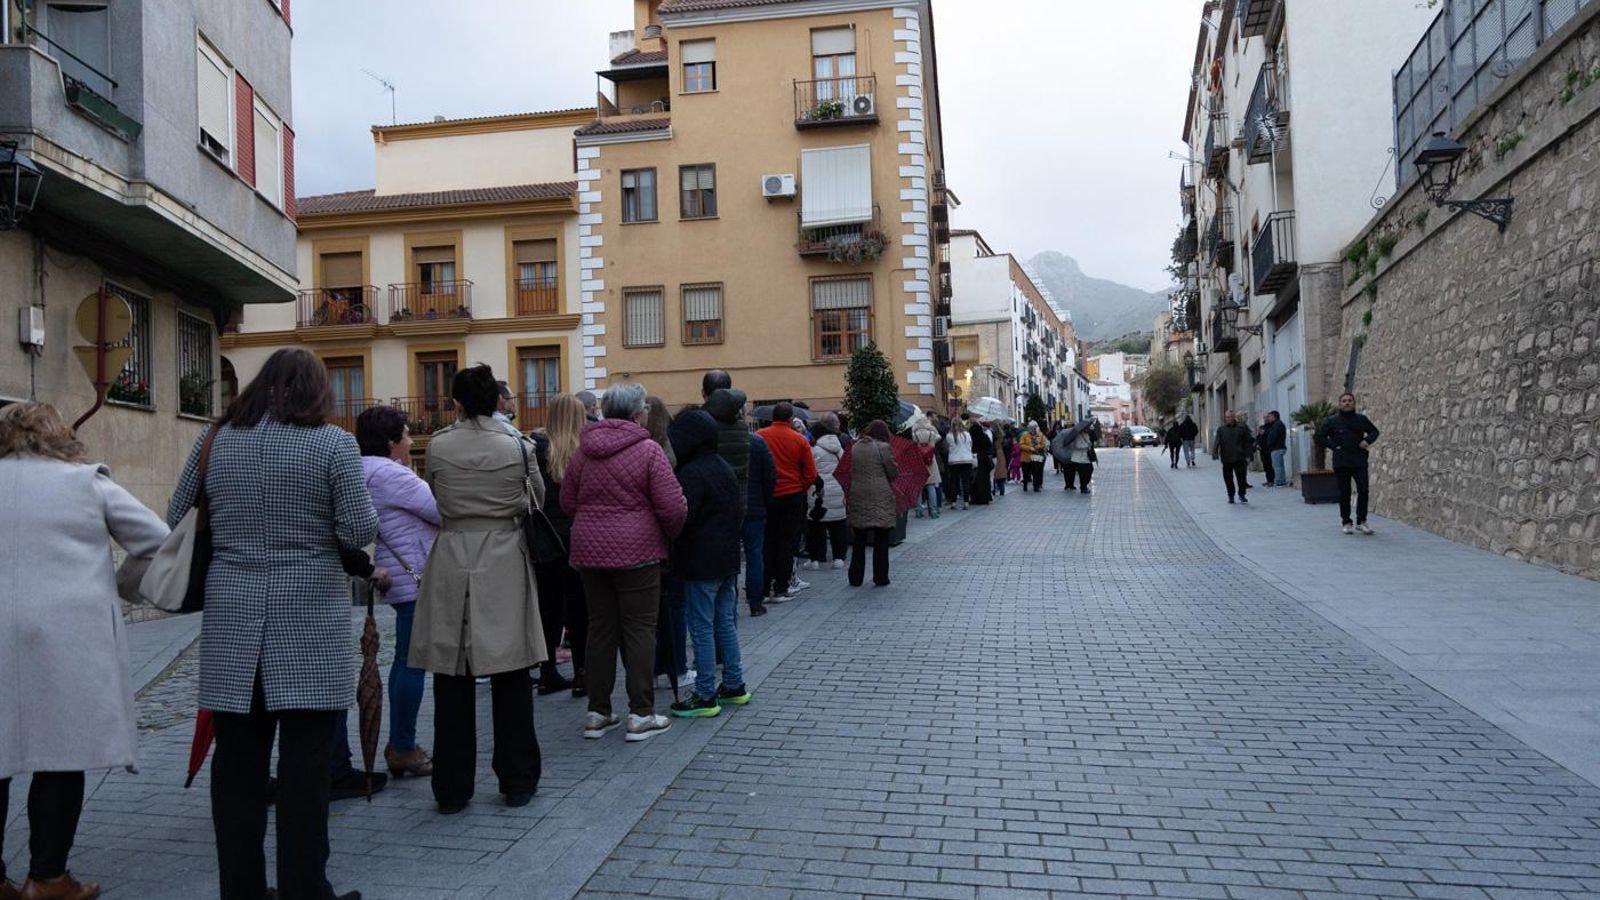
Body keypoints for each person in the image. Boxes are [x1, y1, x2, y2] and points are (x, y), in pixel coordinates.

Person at [166, 348, 377, 900]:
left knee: (238, 762)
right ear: (318, 391)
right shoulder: (332, 443)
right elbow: (357, 529)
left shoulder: (215, 439)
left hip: (232, 612)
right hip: (309, 616)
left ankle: (241, 890)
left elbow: (176, 516)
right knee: (306, 764)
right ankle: (305, 888)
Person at [0, 402, 169, 900]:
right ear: (58, 435)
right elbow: (160, 542)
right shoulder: (85, 483)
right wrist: (121, 586)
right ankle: (48, 878)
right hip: (67, 635)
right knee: (62, 751)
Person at [409, 365, 545, 815]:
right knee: (512, 670)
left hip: (452, 554)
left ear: (457, 403)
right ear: (497, 401)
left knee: (452, 674)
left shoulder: (439, 445)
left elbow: (436, 494)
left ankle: (452, 787)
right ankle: (517, 779)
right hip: (503, 554)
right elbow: (537, 498)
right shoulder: (518, 446)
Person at [562, 382, 688, 742]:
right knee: (639, 630)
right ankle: (641, 712)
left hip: (589, 552)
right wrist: (665, 535)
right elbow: (673, 507)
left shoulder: (583, 451)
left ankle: (598, 711)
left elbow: (568, 501)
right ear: (637, 414)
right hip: (638, 552)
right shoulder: (648, 450)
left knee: (600, 629)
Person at [354, 406, 438, 780]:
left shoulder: (362, 469)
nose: (410, 439)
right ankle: (403, 745)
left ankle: (400, 742)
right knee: (411, 662)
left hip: (399, 571)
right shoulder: (392, 474)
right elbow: (441, 511)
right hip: (414, 572)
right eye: (405, 434)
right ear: (390, 442)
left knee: (405, 659)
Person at [665, 409, 751, 718]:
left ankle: (704, 694)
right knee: (725, 622)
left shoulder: (691, 473)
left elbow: (682, 517)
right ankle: (734, 684)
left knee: (701, 627)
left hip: (700, 562)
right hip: (727, 559)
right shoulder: (722, 466)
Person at [532, 394, 589, 697]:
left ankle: (547, 671)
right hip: (577, 537)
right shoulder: (585, 449)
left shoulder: (536, 448)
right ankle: (582, 673)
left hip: (544, 538)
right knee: (579, 608)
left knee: (547, 608)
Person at [755, 401, 817, 604]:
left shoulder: (760, 436)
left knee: (767, 541)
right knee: (787, 542)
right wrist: (800, 487)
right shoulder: (799, 440)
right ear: (790, 419)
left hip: (767, 494)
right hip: (792, 495)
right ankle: (781, 587)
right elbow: (811, 473)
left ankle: (764, 588)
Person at [1316, 392, 1381, 535]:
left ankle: (1362, 521)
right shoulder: (1331, 421)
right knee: (1344, 493)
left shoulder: (1361, 419)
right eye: (1344, 401)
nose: (1347, 403)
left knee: (1363, 490)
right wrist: (1334, 446)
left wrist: (1367, 441)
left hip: (1359, 460)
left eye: (1350, 400)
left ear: (1354, 403)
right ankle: (1346, 522)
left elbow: (1374, 431)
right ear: (1339, 404)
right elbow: (1319, 436)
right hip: (1341, 462)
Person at [846, 420, 899, 588]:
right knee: (881, 537)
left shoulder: (855, 447)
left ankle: (855, 578)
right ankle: (880, 577)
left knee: (859, 538)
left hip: (858, 493)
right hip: (880, 495)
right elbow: (892, 472)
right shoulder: (883, 447)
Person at [805, 420, 848, 569]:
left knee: (816, 526)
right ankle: (838, 558)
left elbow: (810, 471)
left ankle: (815, 559)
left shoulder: (814, 450)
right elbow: (845, 469)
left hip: (819, 492)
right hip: (837, 490)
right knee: (838, 525)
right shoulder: (839, 449)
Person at [743, 431, 776, 616]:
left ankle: (726, 604)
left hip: (727, 508)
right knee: (755, 554)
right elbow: (770, 475)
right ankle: (755, 602)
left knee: (728, 554)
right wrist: (765, 501)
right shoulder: (757, 441)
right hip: (754, 506)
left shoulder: (715, 436)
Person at [1213, 409, 1255, 504]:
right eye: (1226, 417)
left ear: (1234, 417)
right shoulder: (1221, 429)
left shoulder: (1241, 428)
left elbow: (1247, 442)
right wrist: (1215, 452)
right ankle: (1231, 495)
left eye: (1230, 417)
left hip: (1239, 457)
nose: (1228, 419)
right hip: (1226, 457)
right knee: (1228, 478)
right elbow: (1217, 441)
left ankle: (1242, 494)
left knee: (1241, 478)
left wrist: (1248, 455)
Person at [1051, 418, 1099, 493]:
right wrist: (1086, 446)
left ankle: (1084, 485)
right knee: (1083, 473)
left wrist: (1091, 436)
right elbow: (1077, 445)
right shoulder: (1077, 435)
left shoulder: (1087, 434)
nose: (1088, 428)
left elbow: (1094, 439)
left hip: (1086, 457)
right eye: (1087, 427)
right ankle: (1083, 487)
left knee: (1090, 469)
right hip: (1079, 457)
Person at [910, 411, 942, 518]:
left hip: (918, 462)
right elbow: (939, 437)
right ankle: (933, 511)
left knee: (919, 487)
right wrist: (931, 427)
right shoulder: (932, 434)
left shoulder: (914, 435)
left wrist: (915, 427)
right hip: (930, 461)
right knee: (931, 486)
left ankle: (919, 511)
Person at [944, 414, 975, 510]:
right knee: (966, 481)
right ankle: (966, 502)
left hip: (954, 461)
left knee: (954, 481)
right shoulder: (967, 434)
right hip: (967, 459)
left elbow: (947, 448)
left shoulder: (949, 436)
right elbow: (971, 446)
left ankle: (953, 502)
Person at [969, 417, 995, 505]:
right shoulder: (984, 436)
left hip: (974, 457)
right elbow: (989, 445)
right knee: (984, 479)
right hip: (983, 458)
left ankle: (975, 498)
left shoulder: (970, 435)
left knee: (974, 478)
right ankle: (985, 497)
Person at [1259, 410, 1288, 487]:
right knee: (1280, 466)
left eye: (1270, 416)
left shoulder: (1277, 425)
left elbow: (1273, 437)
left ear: (1274, 417)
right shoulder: (1277, 424)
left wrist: (1269, 444)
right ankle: (1281, 480)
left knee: (1277, 466)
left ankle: (1279, 481)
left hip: (1277, 448)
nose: (1269, 418)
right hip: (1278, 448)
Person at [1018, 421, 1048, 492]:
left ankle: (1036, 486)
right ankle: (1025, 485)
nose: (1033, 430)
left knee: (1036, 472)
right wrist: (1029, 448)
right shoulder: (1025, 435)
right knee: (1025, 473)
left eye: (1034, 428)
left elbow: (1043, 444)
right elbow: (1021, 445)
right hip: (1026, 457)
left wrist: (1039, 446)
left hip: (1036, 457)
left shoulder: (1040, 435)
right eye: (1031, 428)